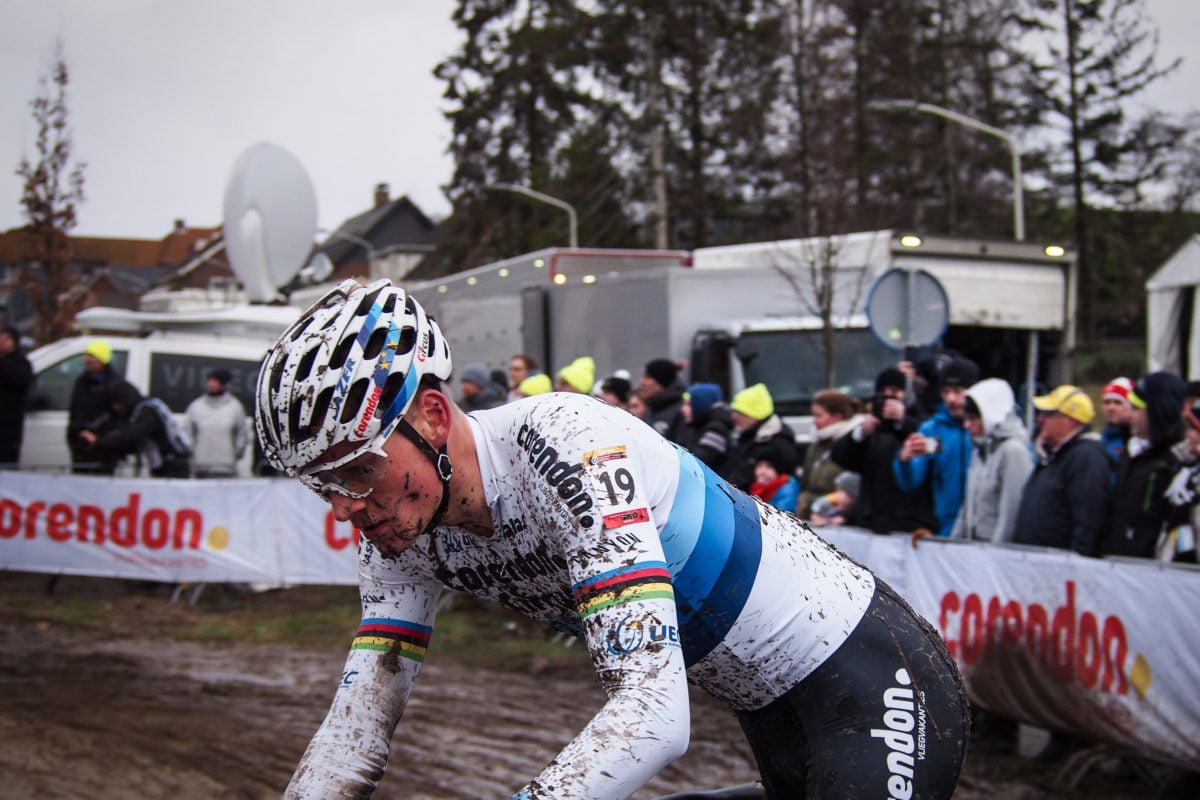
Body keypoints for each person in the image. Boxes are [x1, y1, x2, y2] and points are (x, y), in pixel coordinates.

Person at [255, 279, 969, 800]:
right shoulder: (397, 531)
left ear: (434, 418)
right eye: (321, 484)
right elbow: (356, 730)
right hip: (771, 713)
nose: (345, 506)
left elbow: (653, 713)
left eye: (357, 469)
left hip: (876, 678)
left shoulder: (562, 443)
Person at [831, 367, 937, 535]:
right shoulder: (873, 426)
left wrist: (902, 422)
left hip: (909, 525)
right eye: (883, 391)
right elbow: (840, 457)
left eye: (895, 391)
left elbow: (929, 447)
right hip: (874, 523)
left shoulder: (924, 420)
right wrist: (860, 435)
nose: (889, 396)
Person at [1099, 371, 1189, 559]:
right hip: (1119, 565)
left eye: (1137, 409)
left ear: (1156, 413)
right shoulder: (1132, 452)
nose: (1130, 415)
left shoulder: (1176, 463)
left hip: (1153, 573)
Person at [1011, 385, 1109, 557]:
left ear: (1070, 420)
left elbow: (1088, 520)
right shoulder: (1051, 456)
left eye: (1048, 414)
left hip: (1059, 570)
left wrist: (1075, 564)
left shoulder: (1086, 457)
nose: (1040, 420)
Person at [894, 357, 979, 537]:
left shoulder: (986, 428)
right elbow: (910, 481)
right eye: (946, 392)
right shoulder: (932, 429)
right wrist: (904, 460)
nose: (950, 399)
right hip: (946, 527)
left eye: (957, 391)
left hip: (982, 528)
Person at [944, 378, 1032, 545]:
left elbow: (1011, 513)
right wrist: (952, 546)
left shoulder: (1013, 452)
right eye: (965, 419)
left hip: (994, 552)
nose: (967, 425)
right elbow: (967, 508)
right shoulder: (979, 451)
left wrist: (995, 554)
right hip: (974, 548)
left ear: (991, 415)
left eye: (973, 419)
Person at [85, 379, 192, 478]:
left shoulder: (148, 411)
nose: (115, 407)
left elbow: (133, 435)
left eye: (116, 403)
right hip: (166, 464)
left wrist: (100, 441)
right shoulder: (143, 409)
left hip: (174, 466)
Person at [722, 383, 799, 493]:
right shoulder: (748, 437)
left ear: (754, 414)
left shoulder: (779, 446)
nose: (734, 417)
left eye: (740, 412)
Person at [797, 389, 861, 519]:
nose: (813, 421)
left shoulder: (853, 445)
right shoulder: (817, 443)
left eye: (818, 416)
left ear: (837, 417)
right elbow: (806, 483)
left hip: (835, 519)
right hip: (808, 515)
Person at [67, 339, 123, 474]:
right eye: (87, 356)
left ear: (102, 359)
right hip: (80, 446)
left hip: (102, 447)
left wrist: (99, 437)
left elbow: (116, 416)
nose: (87, 360)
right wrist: (74, 435)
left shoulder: (114, 384)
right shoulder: (81, 382)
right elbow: (75, 411)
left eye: (92, 356)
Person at [184, 368, 248, 478]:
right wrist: (192, 453)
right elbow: (187, 432)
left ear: (223, 384)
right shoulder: (196, 406)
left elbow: (241, 433)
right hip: (201, 467)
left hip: (226, 468)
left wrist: (236, 454)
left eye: (216, 381)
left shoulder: (235, 407)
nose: (211, 384)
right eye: (210, 381)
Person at [676, 382, 733, 472]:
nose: (683, 409)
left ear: (700, 405)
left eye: (688, 404)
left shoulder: (717, 429)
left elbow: (698, 461)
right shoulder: (695, 426)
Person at [0, 325, 33, 467]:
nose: (3, 341)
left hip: (9, 428)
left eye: (8, 338)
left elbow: (20, 381)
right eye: (2, 337)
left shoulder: (21, 364)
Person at [640, 358, 687, 443]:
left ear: (662, 380)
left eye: (648, 377)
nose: (642, 382)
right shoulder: (651, 408)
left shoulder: (682, 410)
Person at [1098, 377, 1135, 468]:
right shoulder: (1100, 440)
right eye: (1106, 403)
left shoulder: (1137, 442)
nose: (1111, 408)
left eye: (1118, 403)